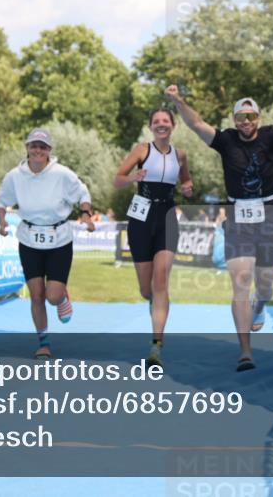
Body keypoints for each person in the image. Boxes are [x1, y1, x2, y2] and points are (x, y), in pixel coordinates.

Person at [167, 85, 273, 371]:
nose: (246, 122)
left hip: (270, 215)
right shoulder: (226, 140)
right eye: (241, 118)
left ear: (258, 118)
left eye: (251, 117)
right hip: (238, 216)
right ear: (235, 120)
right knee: (241, 280)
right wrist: (177, 101)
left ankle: (259, 307)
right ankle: (245, 351)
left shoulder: (272, 137)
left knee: (264, 285)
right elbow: (196, 124)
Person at [0, 128, 95, 359]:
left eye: (43, 146)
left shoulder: (62, 174)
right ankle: (44, 343)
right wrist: (2, 221)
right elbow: (1, 199)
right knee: (36, 295)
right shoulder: (15, 175)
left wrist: (86, 214)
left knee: (52, 296)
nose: (38, 150)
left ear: (49, 150)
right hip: (29, 239)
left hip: (59, 238)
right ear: (27, 148)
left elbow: (83, 193)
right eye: (34, 146)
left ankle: (62, 296)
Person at [114, 107, 194, 367]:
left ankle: (156, 346)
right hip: (141, 216)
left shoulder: (180, 155)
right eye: (156, 121)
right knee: (146, 289)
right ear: (151, 127)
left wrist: (187, 187)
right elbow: (117, 179)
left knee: (161, 280)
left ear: (173, 125)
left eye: (166, 121)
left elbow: (186, 182)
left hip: (167, 216)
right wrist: (132, 177)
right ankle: (154, 306)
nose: (161, 125)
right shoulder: (141, 150)